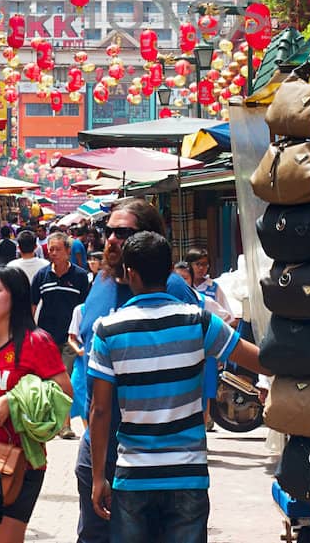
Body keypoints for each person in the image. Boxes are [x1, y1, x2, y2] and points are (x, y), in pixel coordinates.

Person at [86, 232, 267, 543]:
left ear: (130, 273)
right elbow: (260, 361)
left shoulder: (108, 330)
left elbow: (100, 410)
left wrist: (98, 477)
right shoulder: (199, 322)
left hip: (133, 476)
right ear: (170, 269)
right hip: (187, 476)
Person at [72, 199, 204, 543]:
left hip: (151, 458)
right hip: (98, 448)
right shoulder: (100, 282)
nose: (112, 239)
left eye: (124, 233)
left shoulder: (171, 290)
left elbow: (200, 352)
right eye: (109, 231)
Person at [0, 265, 72, 543]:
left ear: (16, 296)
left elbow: (64, 392)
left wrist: (13, 399)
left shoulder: (36, 341)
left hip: (19, 463)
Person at [29, 232, 89, 431]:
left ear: (68, 252)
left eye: (57, 249)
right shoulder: (42, 276)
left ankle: (65, 425)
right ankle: (50, 420)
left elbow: (85, 308)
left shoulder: (80, 277)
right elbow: (33, 304)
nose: (52, 253)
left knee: (66, 378)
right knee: (48, 380)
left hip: (70, 338)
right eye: (50, 249)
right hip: (46, 338)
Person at [184, 249, 235, 321]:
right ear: (189, 265)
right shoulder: (184, 286)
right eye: (197, 264)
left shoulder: (213, 287)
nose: (201, 268)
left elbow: (227, 316)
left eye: (204, 264)